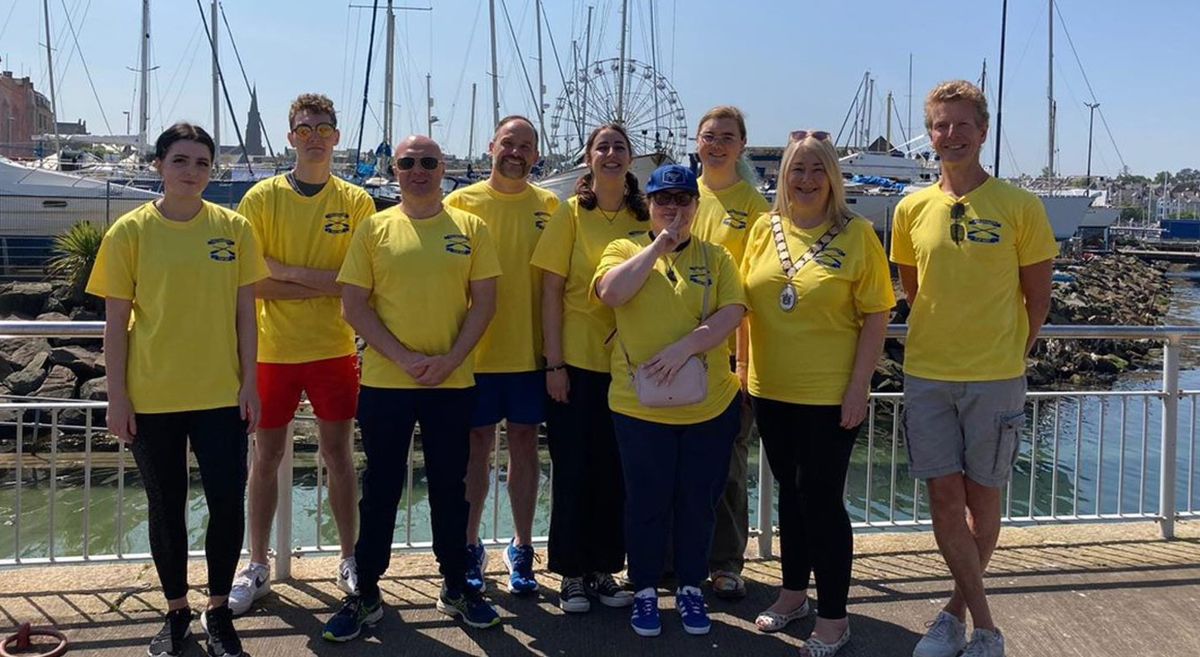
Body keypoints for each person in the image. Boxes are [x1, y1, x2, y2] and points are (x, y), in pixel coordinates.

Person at [86, 123, 268, 657]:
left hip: (221, 395)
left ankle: (218, 611)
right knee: (165, 507)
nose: (192, 172)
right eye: (181, 161)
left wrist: (250, 384)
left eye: (202, 163)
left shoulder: (234, 229)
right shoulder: (130, 232)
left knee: (226, 505)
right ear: (159, 165)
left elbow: (246, 316)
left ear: (213, 171)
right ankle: (175, 611)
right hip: (153, 396)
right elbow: (115, 321)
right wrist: (116, 397)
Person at [891, 81, 1056, 657]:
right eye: (941, 125)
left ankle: (959, 613)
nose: (952, 135)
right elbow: (914, 291)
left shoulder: (1019, 206)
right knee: (943, 498)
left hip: (995, 377)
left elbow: (1038, 299)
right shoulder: (910, 207)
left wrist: (1011, 352)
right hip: (928, 374)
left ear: (983, 132)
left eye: (963, 125)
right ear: (930, 134)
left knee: (983, 500)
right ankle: (984, 627)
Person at [321, 136, 503, 642]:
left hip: (454, 381)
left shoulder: (471, 228)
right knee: (380, 488)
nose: (418, 170)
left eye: (428, 162)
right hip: (385, 383)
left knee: (451, 488)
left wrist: (450, 360)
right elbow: (353, 306)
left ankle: (456, 586)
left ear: (443, 168)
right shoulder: (374, 228)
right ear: (395, 170)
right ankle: (366, 592)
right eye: (408, 163)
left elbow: (485, 304)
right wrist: (404, 358)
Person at [740, 130, 894, 656]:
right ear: (783, 176)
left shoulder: (857, 234)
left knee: (822, 500)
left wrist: (859, 389)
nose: (806, 180)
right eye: (796, 170)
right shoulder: (764, 228)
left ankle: (833, 616)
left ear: (833, 177)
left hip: (830, 394)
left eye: (816, 169)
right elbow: (743, 303)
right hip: (770, 389)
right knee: (790, 493)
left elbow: (877, 315)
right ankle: (792, 595)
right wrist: (741, 370)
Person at [229, 93, 376, 615]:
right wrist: (321, 283)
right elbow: (252, 281)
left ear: (337, 136)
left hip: (335, 350)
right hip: (271, 352)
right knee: (264, 460)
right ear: (290, 136)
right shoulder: (261, 199)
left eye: (323, 127)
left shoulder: (357, 201)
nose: (314, 135)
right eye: (304, 127)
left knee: (339, 457)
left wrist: (286, 270)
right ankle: (258, 564)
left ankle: (350, 558)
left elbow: (355, 282)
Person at [593, 164, 746, 638]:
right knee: (646, 500)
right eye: (665, 201)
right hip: (639, 407)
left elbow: (733, 312)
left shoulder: (717, 257)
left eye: (683, 201)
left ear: (696, 207)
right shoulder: (625, 249)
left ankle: (690, 588)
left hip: (709, 405)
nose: (674, 210)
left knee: (698, 501)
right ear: (651, 206)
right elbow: (611, 292)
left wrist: (685, 348)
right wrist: (659, 245)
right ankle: (643, 589)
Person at [531, 122, 645, 613]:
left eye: (620, 147)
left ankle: (604, 568)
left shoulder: (646, 216)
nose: (612, 154)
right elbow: (551, 292)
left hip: (628, 368)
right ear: (589, 158)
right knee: (574, 469)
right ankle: (571, 572)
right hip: (576, 363)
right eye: (603, 147)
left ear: (630, 158)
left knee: (615, 471)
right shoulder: (571, 214)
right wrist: (553, 364)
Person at [444, 115, 560, 596]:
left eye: (525, 145)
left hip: (530, 353)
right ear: (491, 146)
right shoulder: (458, 203)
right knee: (474, 451)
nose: (516, 152)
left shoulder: (553, 206)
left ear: (536, 155)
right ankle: (471, 546)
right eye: (508, 143)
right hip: (475, 354)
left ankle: (521, 547)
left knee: (525, 447)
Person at [690, 106, 772, 600]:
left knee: (728, 466)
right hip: (673, 353)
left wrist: (744, 364)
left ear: (742, 145)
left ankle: (725, 563)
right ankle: (676, 561)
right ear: (696, 143)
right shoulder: (677, 193)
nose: (716, 144)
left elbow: (755, 297)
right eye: (708, 136)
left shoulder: (757, 208)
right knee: (674, 464)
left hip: (728, 358)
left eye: (727, 137)